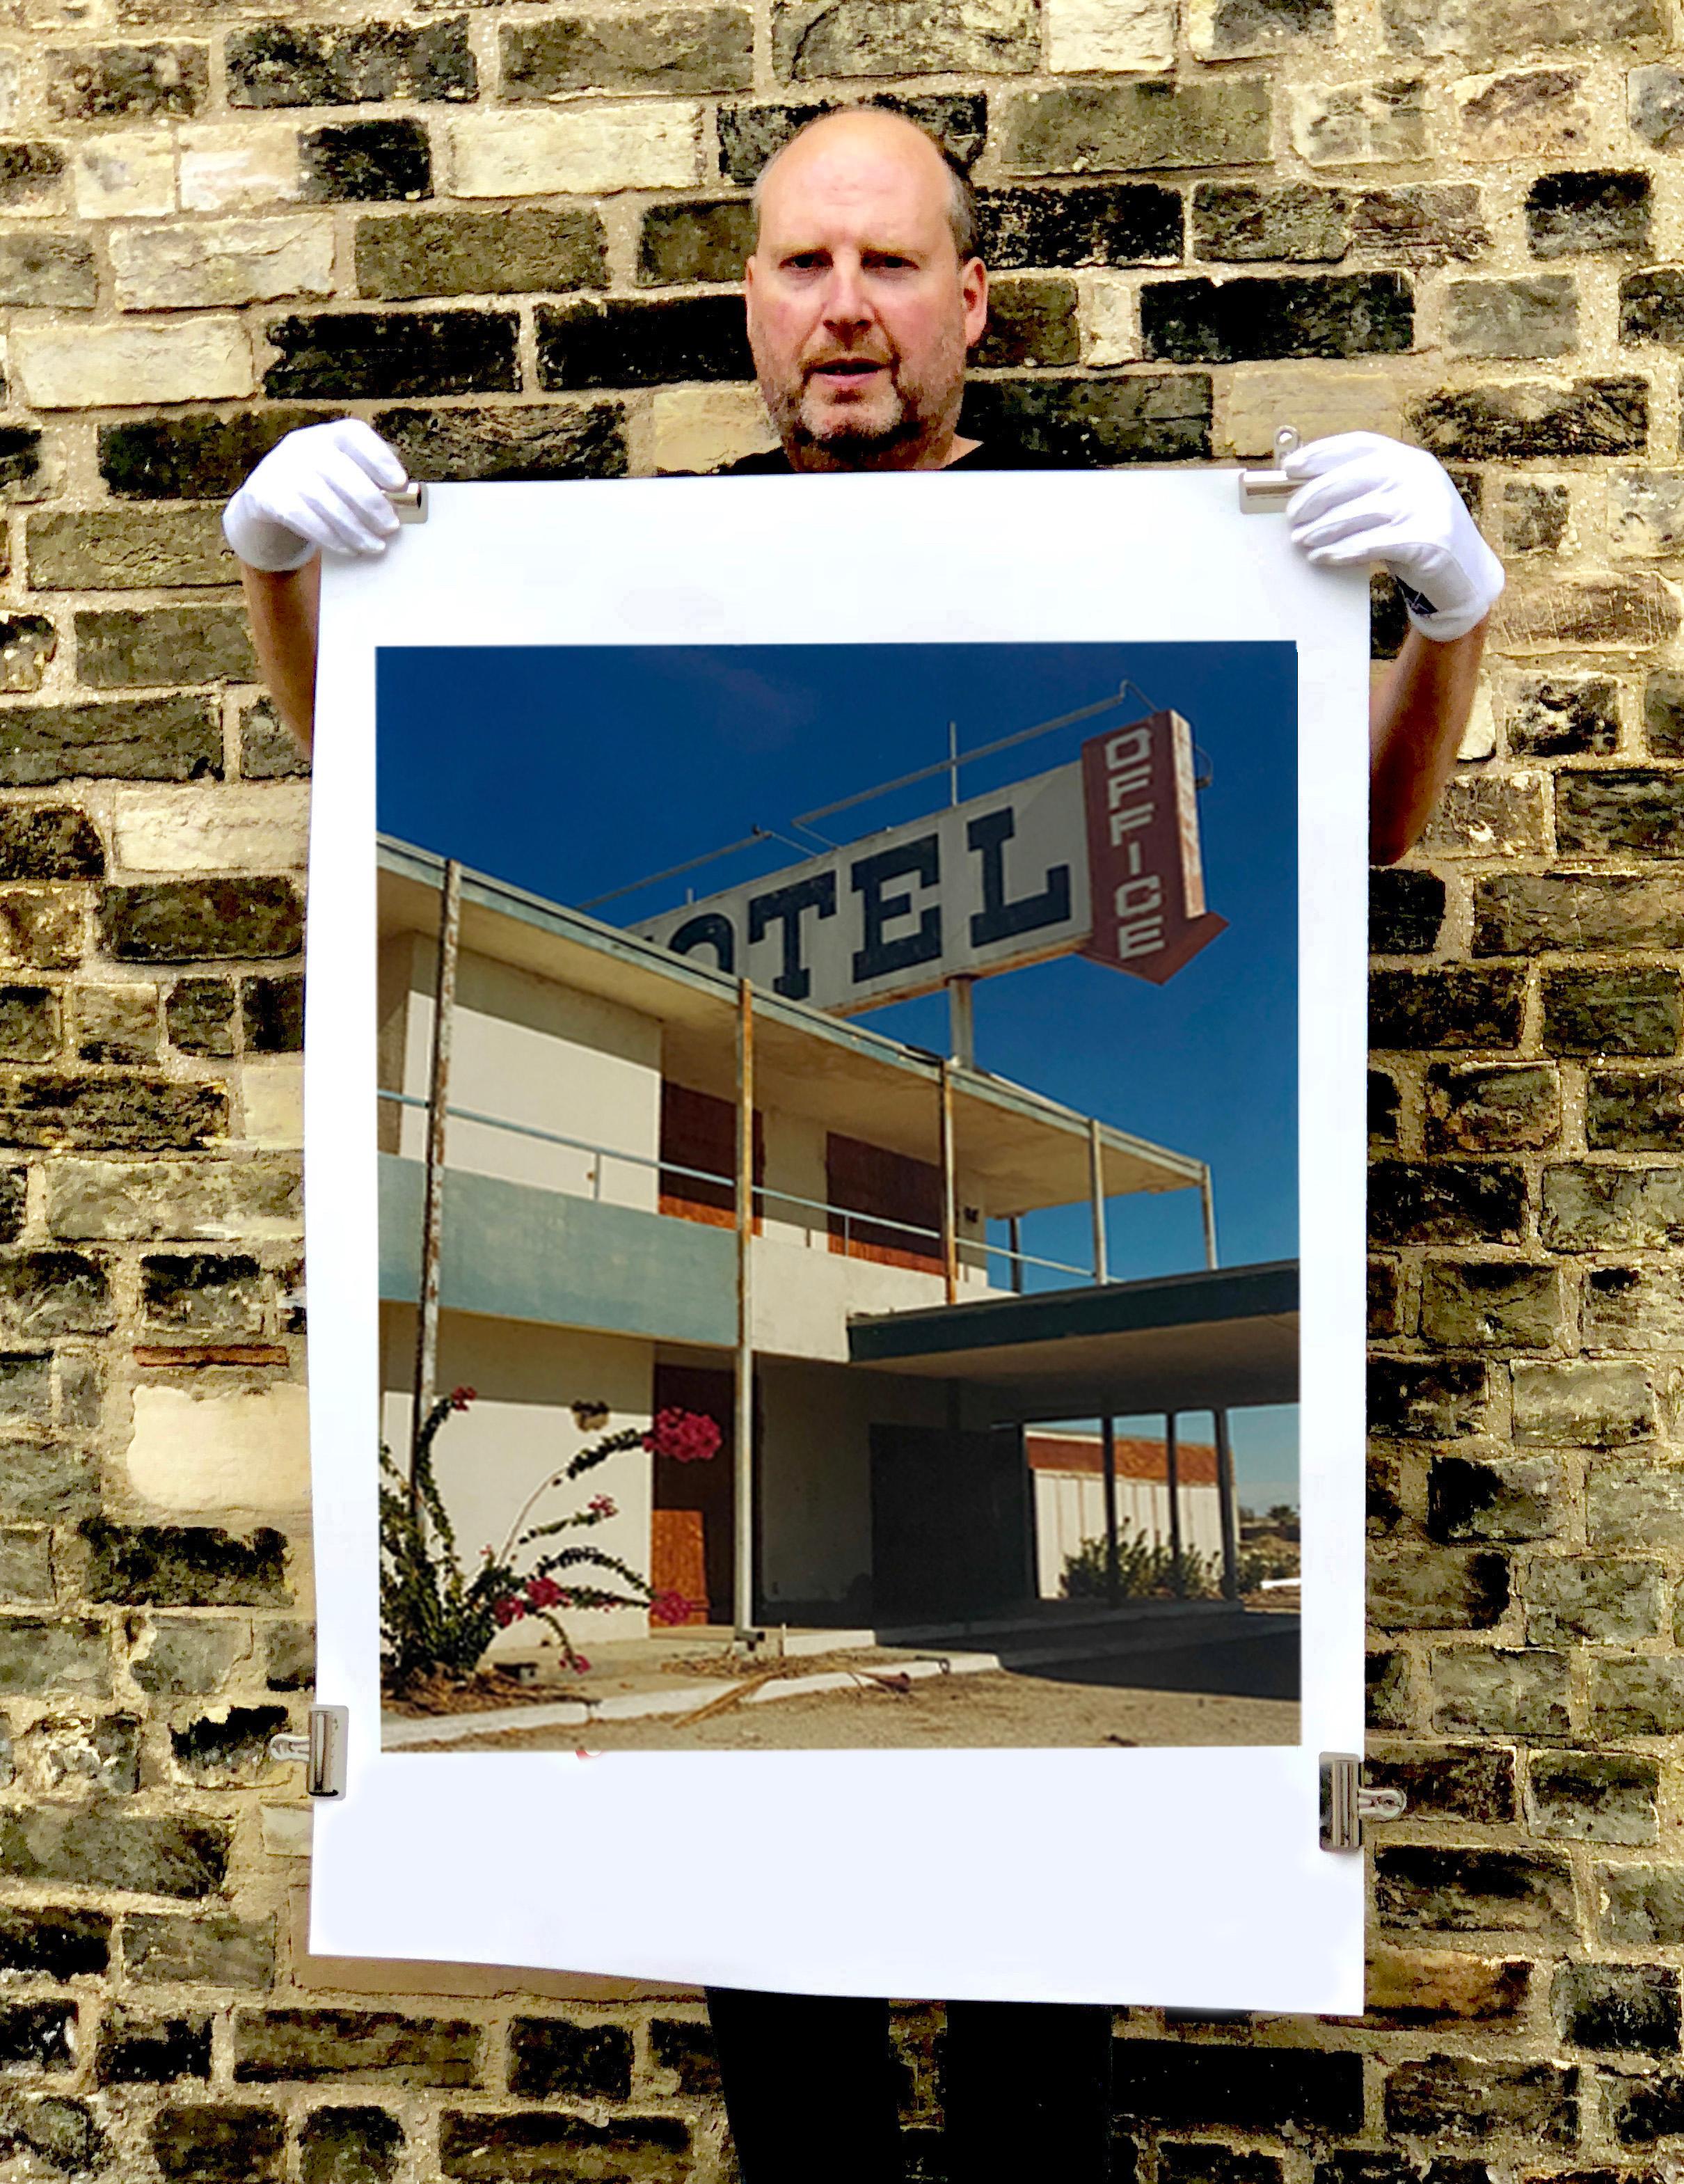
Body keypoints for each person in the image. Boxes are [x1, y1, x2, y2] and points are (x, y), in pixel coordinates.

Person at [225, 102, 1504, 2184]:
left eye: (888, 266)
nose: (843, 311)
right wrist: (288, 584)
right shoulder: (638, 564)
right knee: (792, 2087)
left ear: (969, 300)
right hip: (769, 1850)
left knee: (1034, 2083)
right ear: (748, 298)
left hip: (1049, 1850)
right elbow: (341, 745)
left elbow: (1356, 833)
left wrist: (1447, 608)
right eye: (803, 266)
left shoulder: (1134, 549)